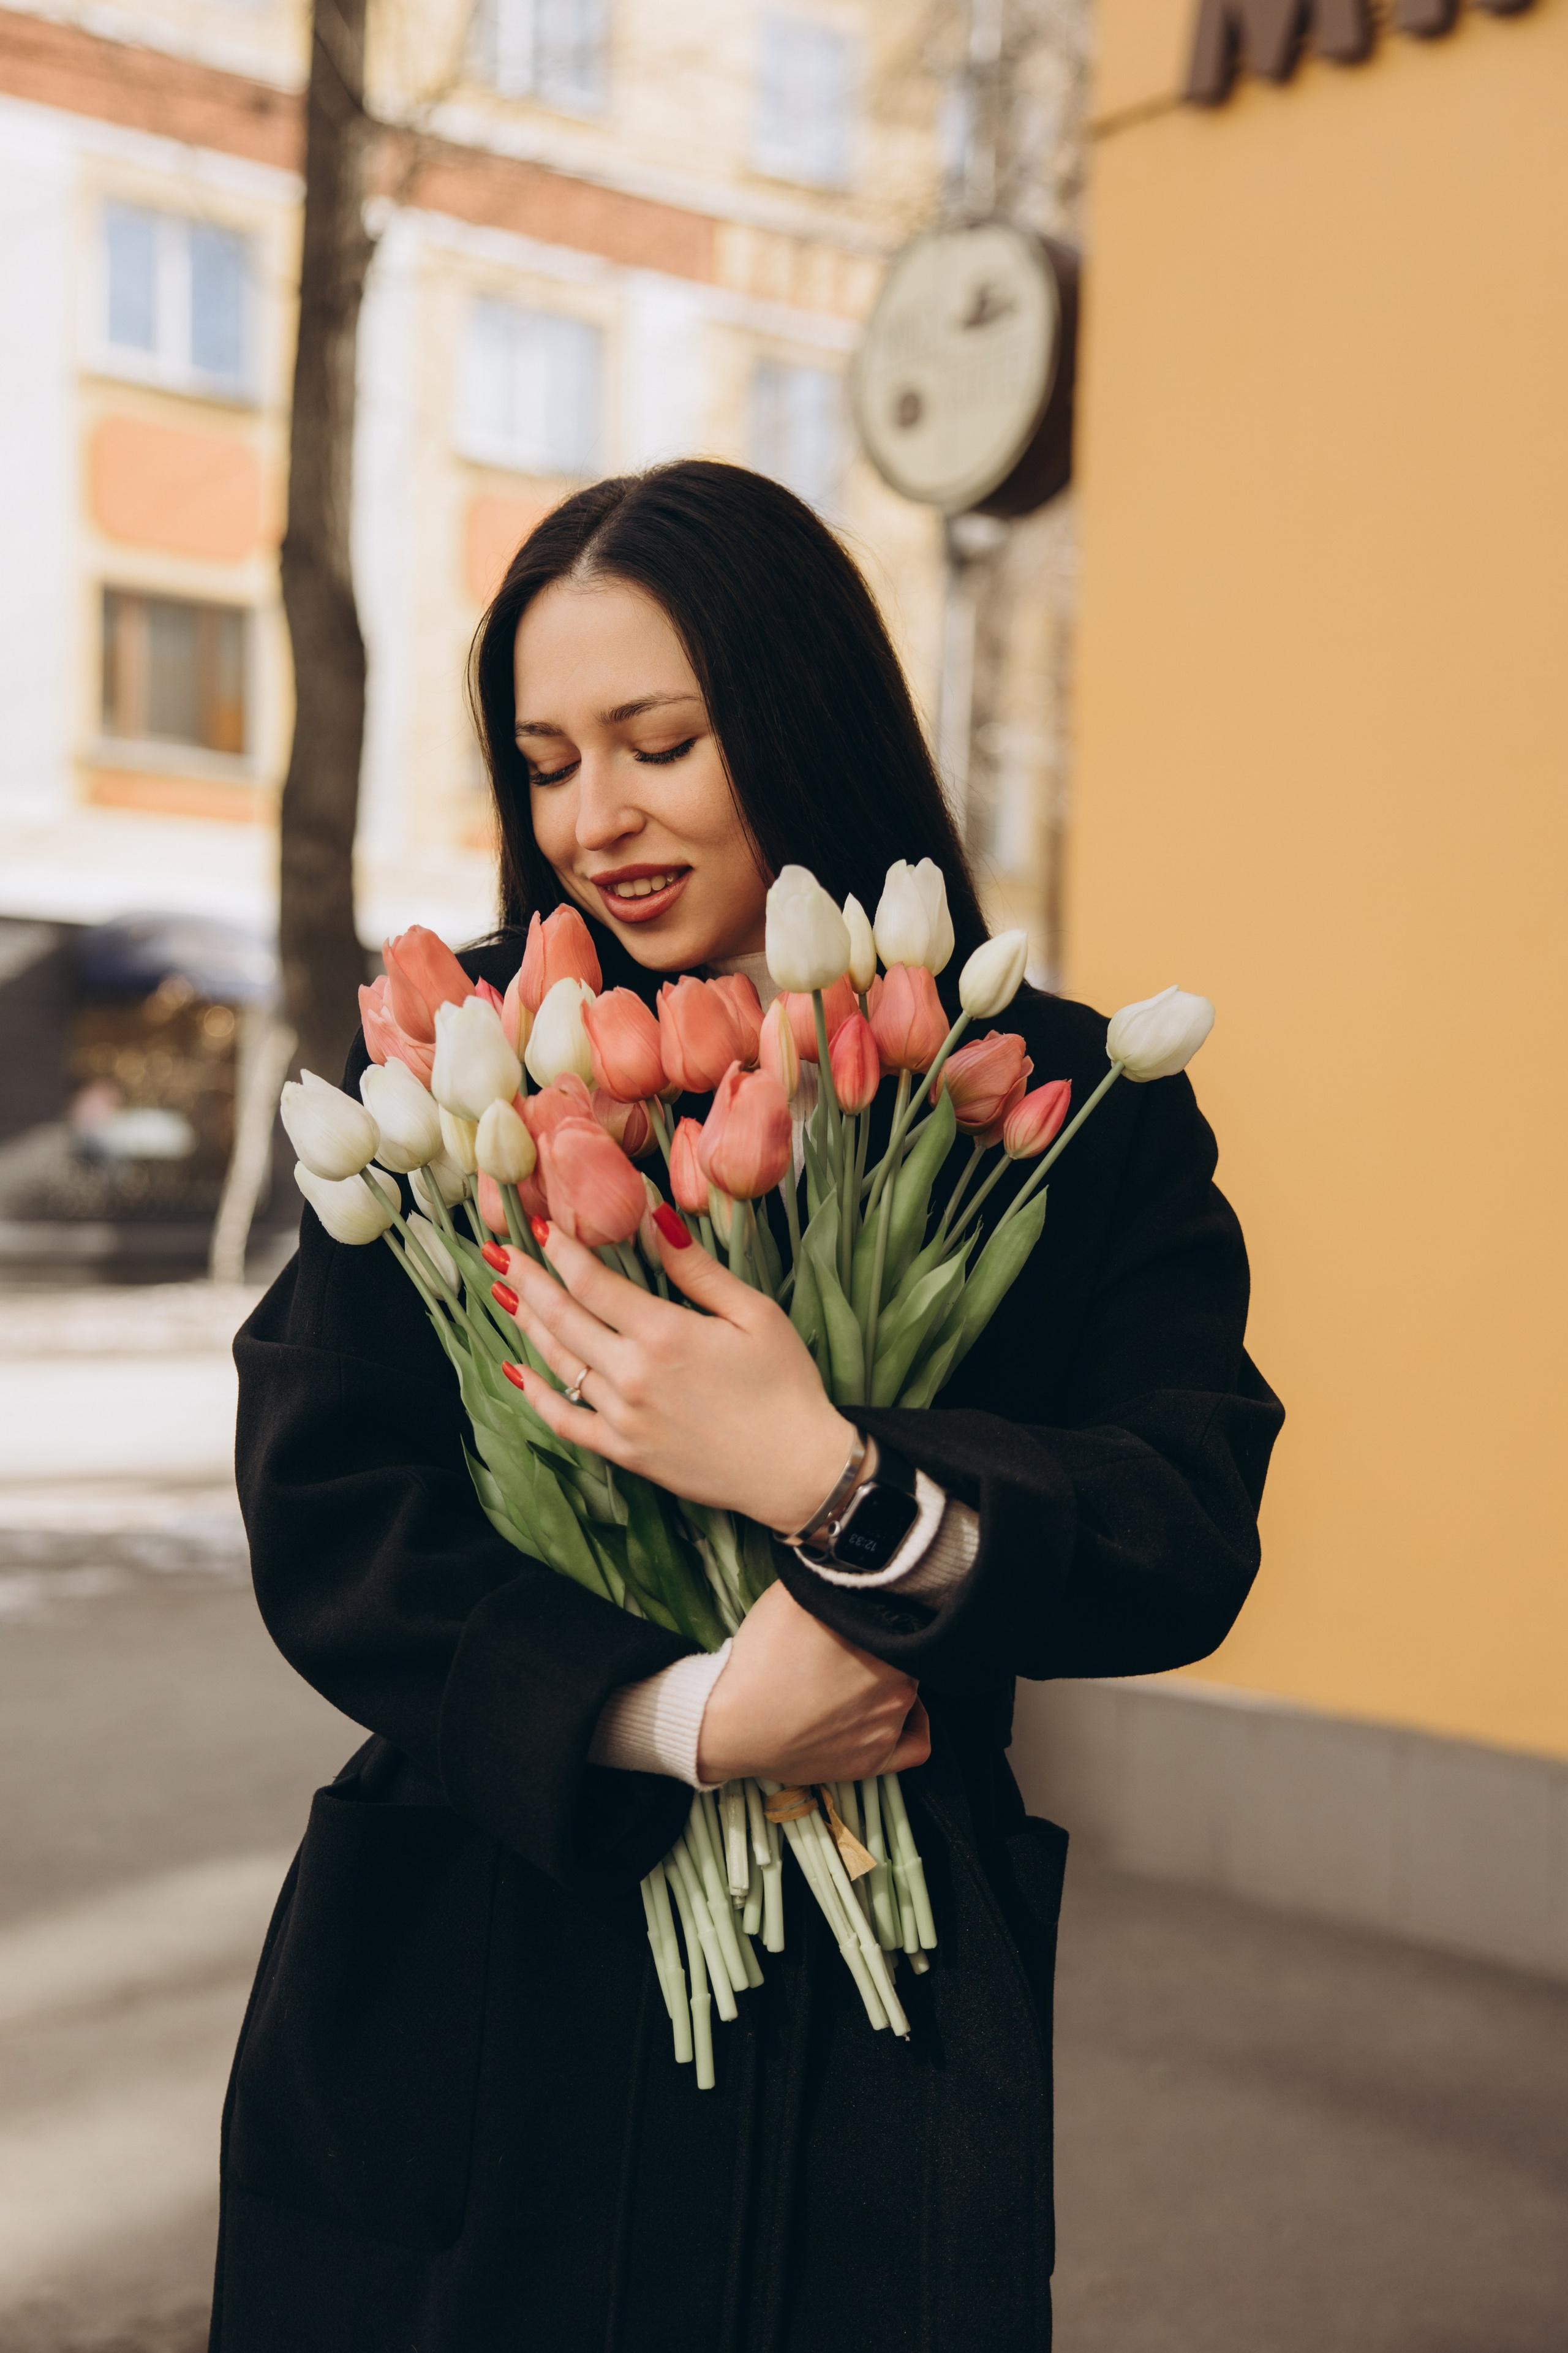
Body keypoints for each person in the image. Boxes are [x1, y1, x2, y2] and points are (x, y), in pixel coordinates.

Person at [213, 461, 1283, 2353]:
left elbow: (1180, 1516)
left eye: (659, 740)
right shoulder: (456, 1057)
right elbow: (331, 1492)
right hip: (480, 1973)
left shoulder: (1054, 1090)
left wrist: (842, 1485)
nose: (594, 817)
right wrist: (689, 1713)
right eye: (547, 760)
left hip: (862, 2012)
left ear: (794, 710)